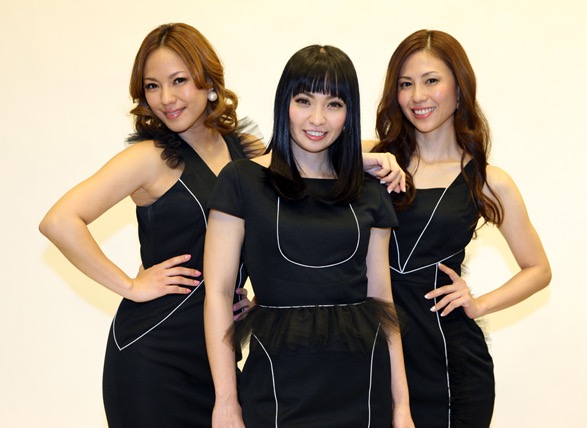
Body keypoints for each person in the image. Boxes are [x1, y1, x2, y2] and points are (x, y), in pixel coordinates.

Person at [39, 23, 406, 427]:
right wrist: (131, 286)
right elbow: (59, 221)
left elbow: (306, 143)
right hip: (157, 349)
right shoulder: (148, 158)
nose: (167, 98)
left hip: (221, 352)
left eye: (179, 80)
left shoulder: (242, 151)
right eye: (152, 86)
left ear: (210, 83)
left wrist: (367, 156)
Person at [204, 45, 414, 428]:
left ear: (349, 114)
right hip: (275, 389)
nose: (317, 118)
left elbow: (383, 299)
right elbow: (217, 293)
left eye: (334, 104)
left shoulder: (370, 191)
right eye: (304, 101)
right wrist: (226, 401)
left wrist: (401, 407)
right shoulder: (241, 181)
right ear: (284, 103)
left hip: (362, 389)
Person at [367, 29, 552, 427]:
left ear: (459, 88)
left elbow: (538, 269)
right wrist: (359, 160)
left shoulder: (488, 180)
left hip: (451, 365)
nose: (417, 96)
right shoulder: (373, 159)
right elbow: (281, 161)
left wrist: (479, 304)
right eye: (405, 84)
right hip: (374, 359)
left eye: (431, 80)